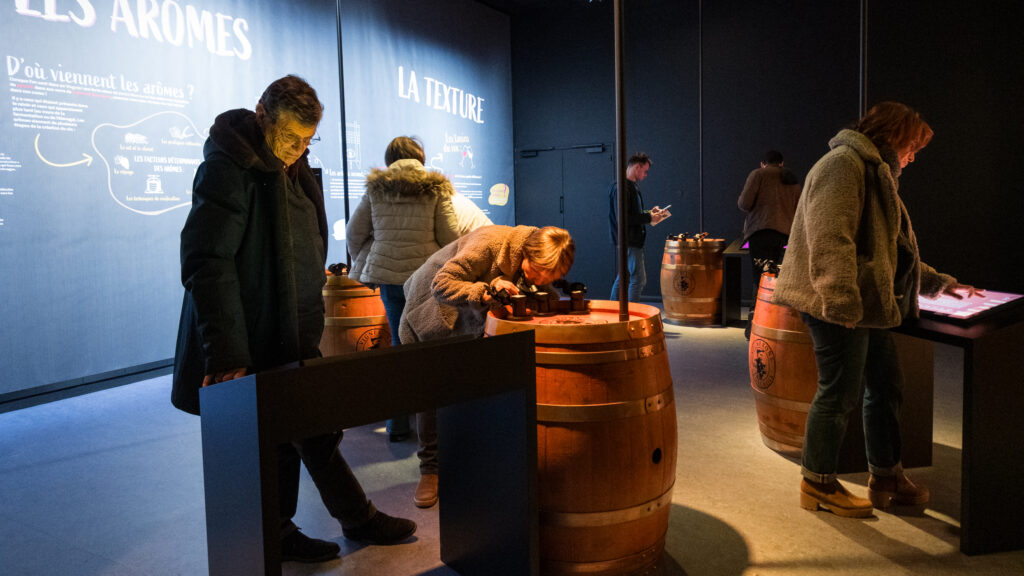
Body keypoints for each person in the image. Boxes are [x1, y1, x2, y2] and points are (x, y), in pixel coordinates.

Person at [172, 75, 416, 563]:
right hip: (249, 336)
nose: (297, 149)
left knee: (303, 431)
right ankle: (342, 520)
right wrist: (227, 353)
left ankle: (297, 528)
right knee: (297, 434)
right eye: (289, 138)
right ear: (262, 114)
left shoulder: (293, 168)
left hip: (288, 332)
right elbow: (207, 261)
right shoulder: (229, 167)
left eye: (306, 140)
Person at [773, 102, 981, 518]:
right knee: (838, 394)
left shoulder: (875, 172)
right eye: (912, 146)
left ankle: (885, 474)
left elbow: (894, 253)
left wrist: (940, 283)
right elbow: (831, 238)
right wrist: (841, 301)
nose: (914, 156)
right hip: (840, 307)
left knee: (886, 386)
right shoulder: (844, 165)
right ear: (893, 136)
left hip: (866, 307)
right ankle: (817, 484)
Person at [399, 225, 575, 508]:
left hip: (467, 316)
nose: (541, 279)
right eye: (538, 271)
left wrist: (560, 309)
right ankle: (430, 470)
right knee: (433, 389)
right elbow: (441, 284)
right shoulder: (489, 243)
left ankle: (468, 460)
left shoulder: (536, 259)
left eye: (549, 276)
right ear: (525, 253)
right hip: (431, 310)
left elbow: (543, 288)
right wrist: (485, 292)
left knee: (472, 385)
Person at [346, 136, 461, 442]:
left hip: (390, 278)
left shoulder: (376, 189)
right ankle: (433, 426)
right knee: (429, 344)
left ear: (389, 158)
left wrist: (364, 258)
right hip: (425, 279)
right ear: (420, 157)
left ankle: (398, 425)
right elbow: (450, 236)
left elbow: (354, 232)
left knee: (399, 345)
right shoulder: (436, 187)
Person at [737, 150, 802, 338]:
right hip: (786, 237)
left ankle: (755, 327)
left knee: (761, 279)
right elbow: (799, 208)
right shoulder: (791, 177)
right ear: (782, 163)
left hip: (761, 234)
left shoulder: (758, 174)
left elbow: (744, 203)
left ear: (763, 163)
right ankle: (777, 325)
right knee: (778, 279)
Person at [608, 152, 670, 301]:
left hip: (630, 240)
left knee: (624, 277)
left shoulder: (629, 187)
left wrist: (650, 212)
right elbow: (623, 218)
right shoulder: (622, 188)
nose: (646, 175)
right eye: (645, 171)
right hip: (629, 241)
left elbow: (632, 213)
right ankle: (631, 316)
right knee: (638, 279)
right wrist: (649, 217)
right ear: (637, 167)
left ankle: (613, 309)